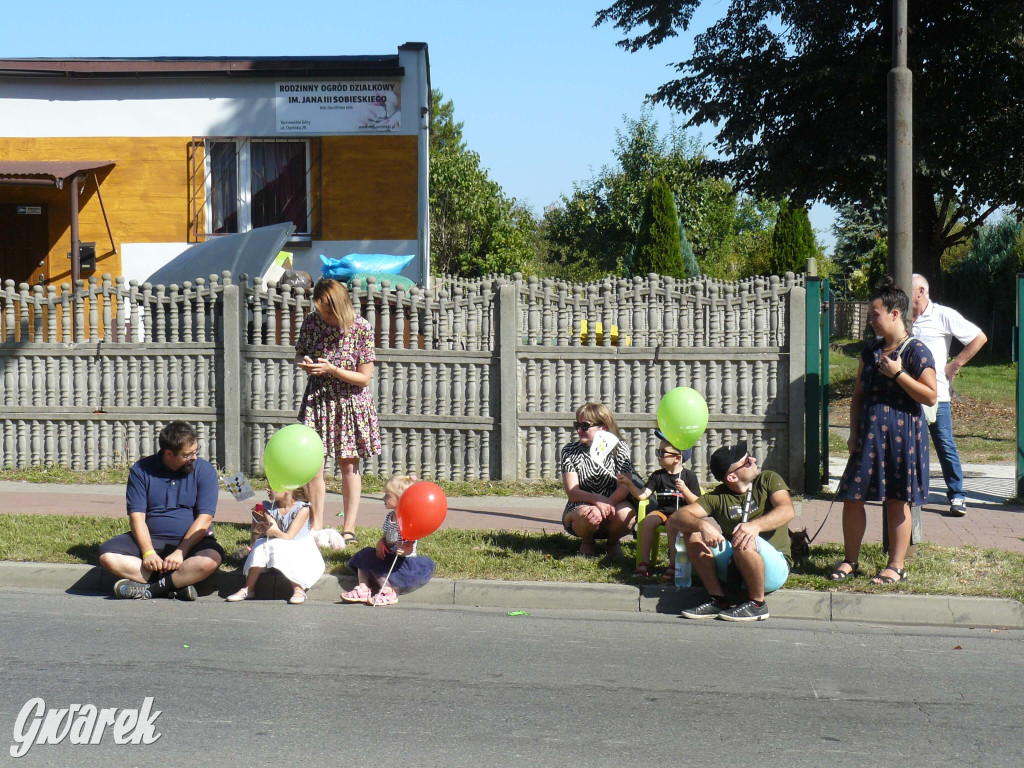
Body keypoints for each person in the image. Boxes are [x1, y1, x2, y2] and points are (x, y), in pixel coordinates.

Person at [831, 276, 937, 585]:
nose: (871, 321)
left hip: (903, 439)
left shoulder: (916, 351)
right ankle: (851, 560)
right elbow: (858, 395)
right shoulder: (870, 351)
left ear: (894, 313)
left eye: (875, 314)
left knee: (896, 500)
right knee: (853, 497)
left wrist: (899, 373)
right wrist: (852, 433)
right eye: (869, 315)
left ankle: (896, 565)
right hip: (869, 437)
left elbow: (930, 395)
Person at [295, 278, 381, 543]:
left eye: (328, 311)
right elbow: (298, 354)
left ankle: (349, 529)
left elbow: (364, 378)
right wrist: (305, 363)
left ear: (340, 305)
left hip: (350, 405)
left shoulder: (361, 328)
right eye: (321, 311)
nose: (325, 316)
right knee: (313, 466)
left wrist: (332, 370)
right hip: (318, 401)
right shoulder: (312, 322)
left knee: (348, 466)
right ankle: (316, 528)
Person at [669, 441, 795, 622]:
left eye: (750, 455)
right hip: (737, 564)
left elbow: (787, 510)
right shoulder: (718, 497)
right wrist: (703, 526)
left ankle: (757, 604)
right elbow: (677, 518)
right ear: (732, 477)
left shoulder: (768, 479)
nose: (753, 459)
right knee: (692, 532)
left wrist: (755, 526)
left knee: (744, 537)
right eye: (746, 461)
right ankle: (718, 599)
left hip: (774, 568)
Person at [98, 421, 223, 600]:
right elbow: (137, 518)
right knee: (107, 556)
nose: (194, 457)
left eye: (195, 451)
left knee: (211, 559)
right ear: (169, 453)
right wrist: (148, 553)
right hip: (149, 540)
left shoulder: (204, 471)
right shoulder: (141, 471)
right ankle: (176, 584)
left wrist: (181, 551)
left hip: (191, 542)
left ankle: (150, 589)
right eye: (188, 455)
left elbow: (205, 518)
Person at [911, 273, 987, 517]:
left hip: (937, 395)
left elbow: (978, 337)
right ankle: (913, 494)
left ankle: (957, 496)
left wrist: (956, 364)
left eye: (907, 290)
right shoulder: (900, 317)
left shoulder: (943, 315)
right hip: (908, 394)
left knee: (944, 445)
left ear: (920, 291)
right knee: (912, 446)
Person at [341, 475, 436, 606]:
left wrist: (405, 550)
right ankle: (363, 588)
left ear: (402, 499)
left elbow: (411, 543)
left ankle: (388, 591)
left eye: (388, 495)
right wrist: (381, 542)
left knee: (379, 568)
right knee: (366, 554)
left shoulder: (409, 520)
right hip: (389, 556)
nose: (383, 498)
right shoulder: (390, 516)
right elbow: (387, 535)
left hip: (403, 562)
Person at [560, 402, 638, 559]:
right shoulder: (570, 451)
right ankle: (587, 542)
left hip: (614, 503)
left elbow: (625, 487)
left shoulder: (619, 448)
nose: (579, 430)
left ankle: (613, 543)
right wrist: (597, 500)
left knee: (626, 513)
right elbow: (573, 492)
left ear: (603, 427)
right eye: (577, 424)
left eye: (584, 425)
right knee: (585, 514)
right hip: (581, 503)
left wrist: (607, 504)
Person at [225, 484, 325, 605]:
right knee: (261, 545)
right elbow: (273, 529)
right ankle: (248, 588)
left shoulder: (302, 509)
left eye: (272, 486)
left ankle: (298, 588)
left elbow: (289, 536)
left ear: (288, 490)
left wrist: (273, 531)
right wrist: (264, 528)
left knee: (279, 545)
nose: (267, 489)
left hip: (300, 546)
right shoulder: (268, 508)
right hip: (279, 542)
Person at [618, 440, 701, 580]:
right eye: (658, 451)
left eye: (662, 453)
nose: (658, 455)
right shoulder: (657, 476)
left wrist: (685, 490)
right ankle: (644, 562)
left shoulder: (689, 476)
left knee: (671, 524)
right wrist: (629, 485)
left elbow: (697, 502)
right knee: (648, 521)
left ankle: (674, 565)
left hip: (681, 514)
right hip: (662, 511)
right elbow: (642, 495)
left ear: (677, 458)